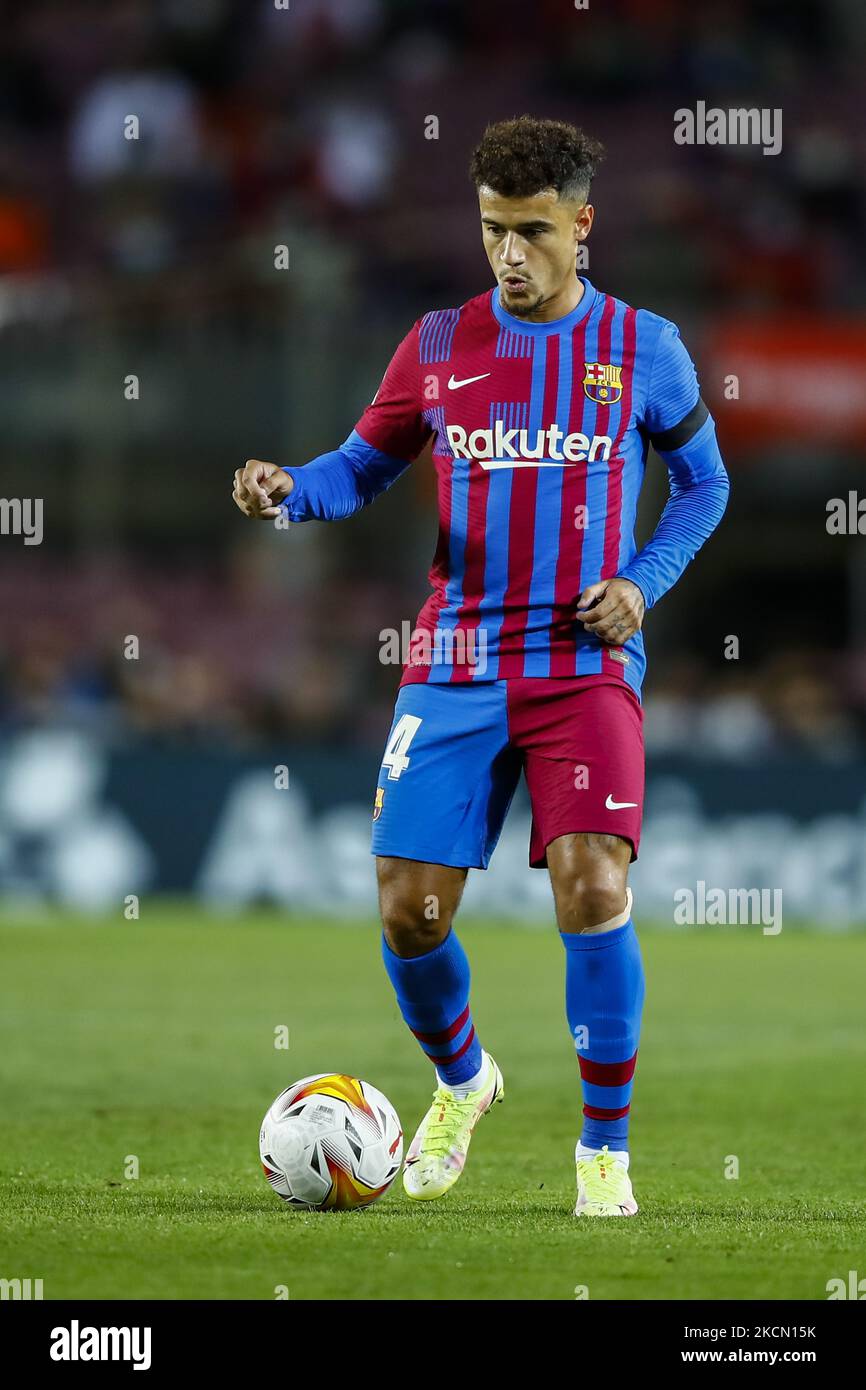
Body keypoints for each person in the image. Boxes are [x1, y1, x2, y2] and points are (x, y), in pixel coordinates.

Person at [233, 116, 729, 1216]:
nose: (510, 253)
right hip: (452, 662)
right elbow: (358, 469)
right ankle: (464, 1078)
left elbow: (704, 485)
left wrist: (641, 581)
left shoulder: (641, 348)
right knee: (409, 913)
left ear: (581, 226)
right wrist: (287, 489)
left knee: (593, 885)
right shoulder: (436, 342)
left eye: (533, 231)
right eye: (493, 230)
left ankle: (602, 1153)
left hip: (580, 664)